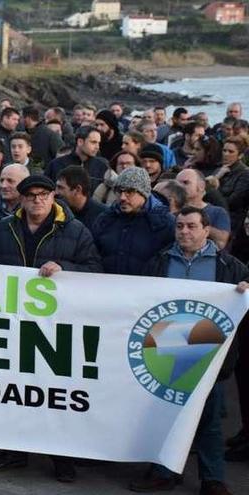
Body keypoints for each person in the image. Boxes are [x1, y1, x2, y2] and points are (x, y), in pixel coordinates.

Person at [0, 174, 102, 483]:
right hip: (13, 321)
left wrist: (67, 270)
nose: (37, 200)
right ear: (21, 199)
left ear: (53, 198)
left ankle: (60, 456)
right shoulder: (3, 228)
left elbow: (95, 271)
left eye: (44, 195)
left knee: (52, 392)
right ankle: (14, 450)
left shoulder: (75, 231)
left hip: (56, 327)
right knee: (12, 389)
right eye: (31, 195)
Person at [134, 206, 248, 495]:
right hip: (163, 353)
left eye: (192, 226)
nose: (184, 232)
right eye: (180, 226)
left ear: (206, 230)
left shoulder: (229, 266)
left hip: (208, 356)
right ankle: (164, 472)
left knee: (208, 421)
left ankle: (213, 479)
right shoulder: (159, 262)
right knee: (164, 416)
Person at [92, 167, 175, 276]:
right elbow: (92, 256)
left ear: (144, 193)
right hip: (108, 288)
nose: (122, 197)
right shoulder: (105, 219)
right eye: (119, 191)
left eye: (129, 192)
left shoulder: (165, 223)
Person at [45, 126, 108, 192]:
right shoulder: (56, 164)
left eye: (98, 143)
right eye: (93, 142)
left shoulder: (102, 166)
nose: (97, 147)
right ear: (80, 142)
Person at [215, 137, 249, 232]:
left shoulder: (245, 174)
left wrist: (215, 187)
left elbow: (232, 201)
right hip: (214, 217)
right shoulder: (219, 170)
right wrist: (217, 177)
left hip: (232, 222)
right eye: (224, 150)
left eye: (231, 151)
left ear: (240, 155)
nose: (226, 154)